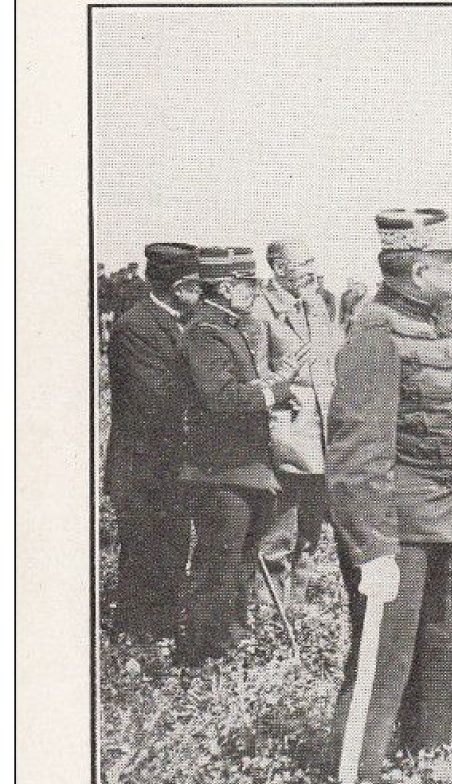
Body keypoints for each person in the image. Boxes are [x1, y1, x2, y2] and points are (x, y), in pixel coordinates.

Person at [327, 208, 452, 784]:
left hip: (438, 520)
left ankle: (430, 769)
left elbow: (440, 427)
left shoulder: (423, 324)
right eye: (451, 265)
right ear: (421, 270)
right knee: (384, 661)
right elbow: (357, 453)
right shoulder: (377, 331)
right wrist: (371, 547)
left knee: (440, 652)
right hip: (397, 528)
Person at [176, 246, 297, 664]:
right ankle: (200, 655)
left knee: (239, 562)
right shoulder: (205, 333)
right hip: (220, 472)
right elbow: (220, 397)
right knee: (218, 567)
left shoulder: (225, 327)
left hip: (241, 469)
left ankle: (228, 644)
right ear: (226, 288)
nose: (254, 291)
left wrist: (274, 396)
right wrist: (275, 390)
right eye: (249, 284)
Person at [105, 242, 201, 640]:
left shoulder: (180, 322)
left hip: (169, 461)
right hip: (143, 462)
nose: (202, 293)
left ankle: (159, 631)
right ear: (179, 286)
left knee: (172, 546)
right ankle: (137, 639)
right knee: (145, 550)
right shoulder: (136, 327)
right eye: (197, 285)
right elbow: (157, 394)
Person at [252, 240, 338, 610]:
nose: (312, 270)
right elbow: (255, 379)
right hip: (286, 435)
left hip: (321, 436)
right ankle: (270, 612)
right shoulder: (259, 311)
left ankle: (298, 605)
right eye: (303, 264)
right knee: (279, 531)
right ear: (279, 269)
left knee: (310, 531)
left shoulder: (317, 305)